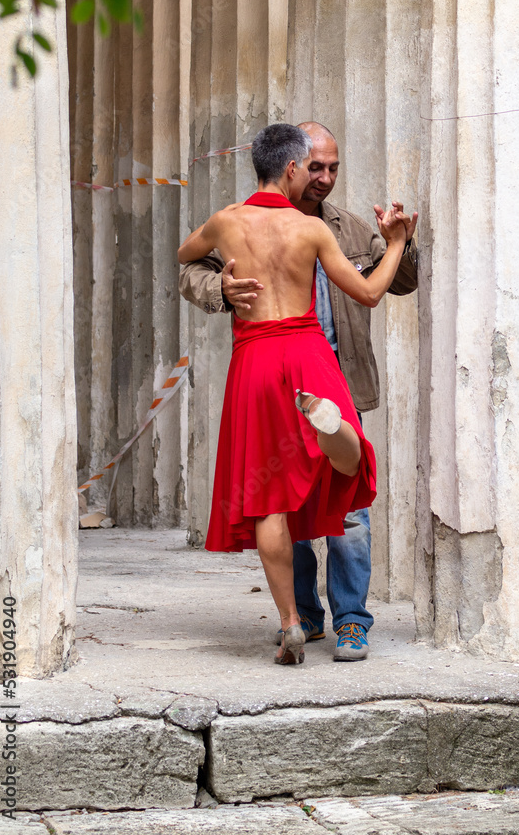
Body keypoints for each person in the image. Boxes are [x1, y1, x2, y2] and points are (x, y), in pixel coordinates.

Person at [179, 122, 418, 661]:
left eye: (333, 168)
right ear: (293, 167)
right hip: (309, 358)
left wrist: (401, 245)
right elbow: (372, 292)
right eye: (316, 168)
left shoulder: (228, 221)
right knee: (349, 469)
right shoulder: (309, 231)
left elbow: (181, 251)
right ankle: (333, 431)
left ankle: (294, 621)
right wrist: (399, 240)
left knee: (271, 501)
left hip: (259, 362)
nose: (325, 177)